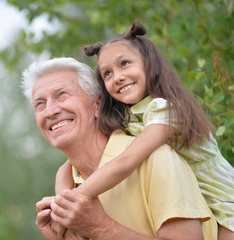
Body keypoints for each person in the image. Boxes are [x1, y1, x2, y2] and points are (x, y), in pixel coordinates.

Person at [54, 21, 234, 239]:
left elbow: (126, 162)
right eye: (107, 74)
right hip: (199, 201)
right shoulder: (130, 116)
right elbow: (70, 164)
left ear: (149, 64)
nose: (117, 77)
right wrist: (62, 203)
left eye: (125, 64)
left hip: (225, 202)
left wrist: (78, 199)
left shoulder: (167, 109)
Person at [21, 57, 217, 239]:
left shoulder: (154, 159)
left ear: (97, 104)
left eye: (62, 94)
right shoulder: (66, 184)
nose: (50, 111)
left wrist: (102, 228)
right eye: (40, 104)